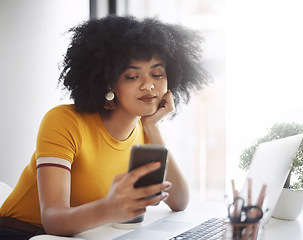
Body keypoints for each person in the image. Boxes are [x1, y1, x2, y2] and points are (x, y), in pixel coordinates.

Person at [0, 14, 210, 239]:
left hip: (85, 234)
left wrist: (153, 127)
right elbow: (52, 220)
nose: (149, 85)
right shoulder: (65, 121)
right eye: (132, 76)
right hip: (22, 233)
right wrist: (110, 209)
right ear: (109, 82)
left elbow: (179, 202)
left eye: (157, 74)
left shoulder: (145, 130)